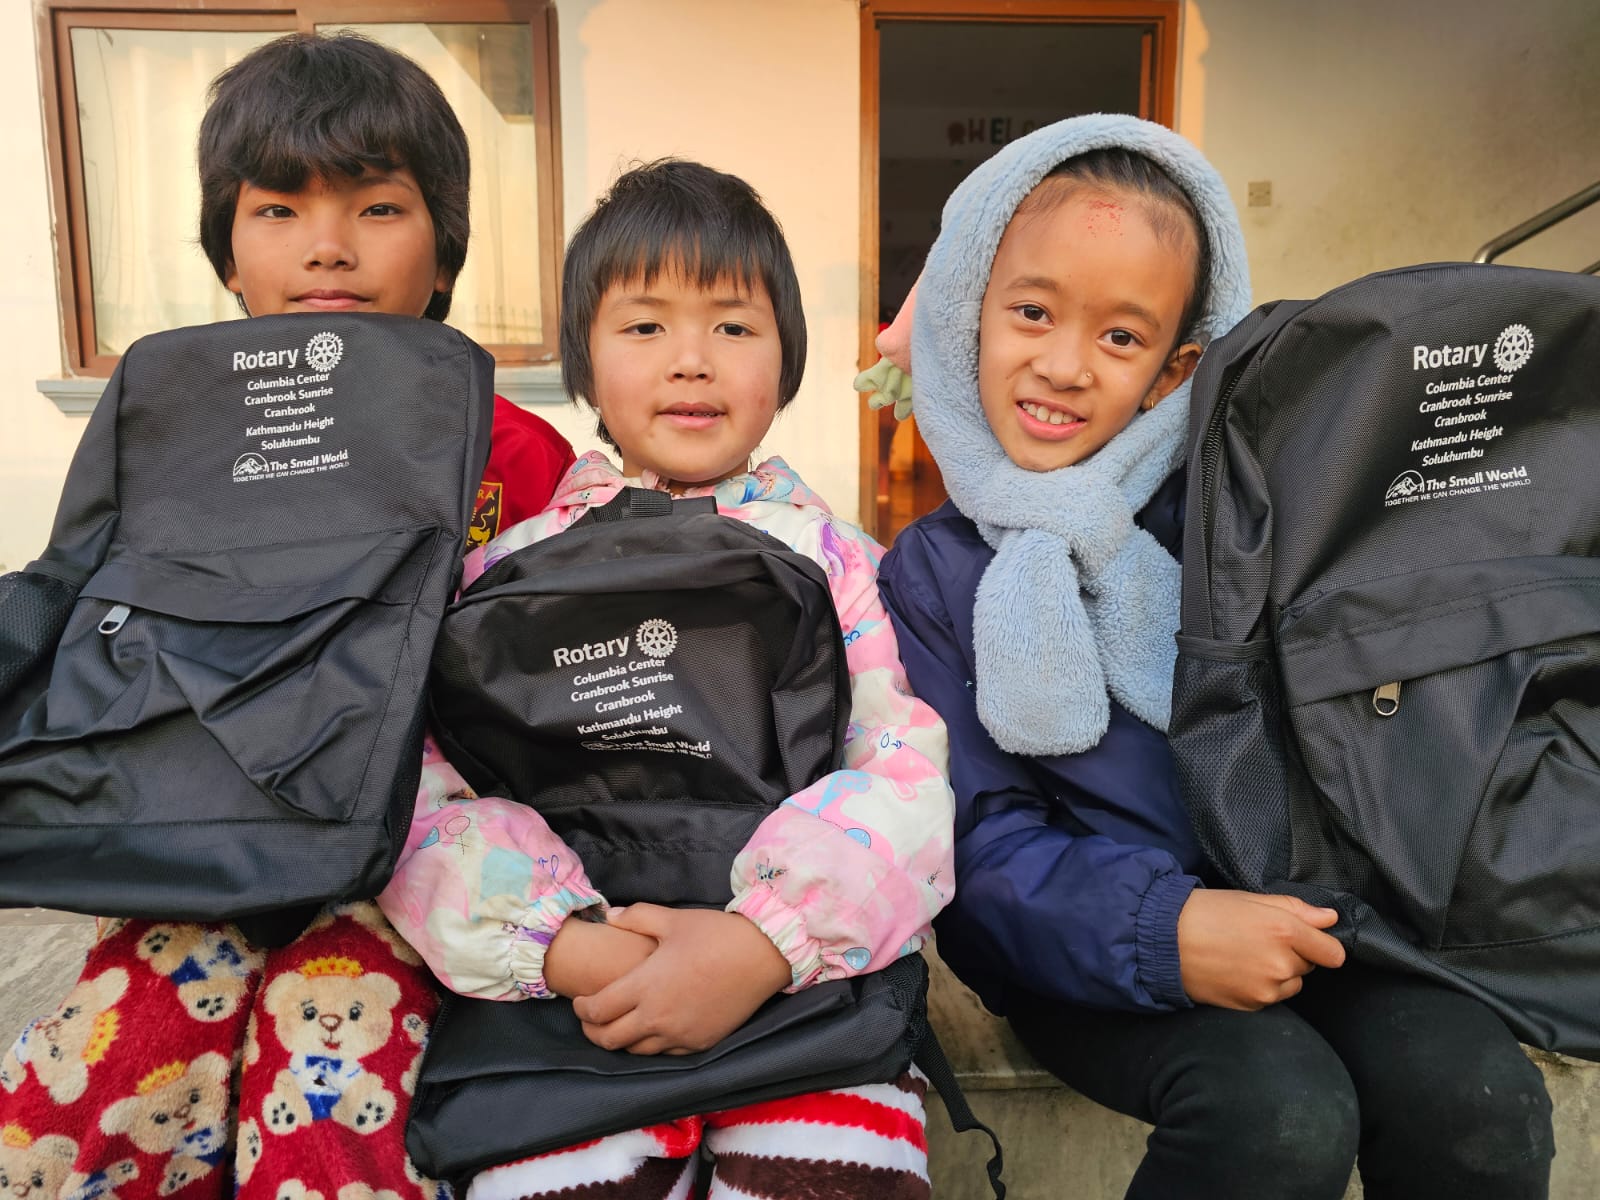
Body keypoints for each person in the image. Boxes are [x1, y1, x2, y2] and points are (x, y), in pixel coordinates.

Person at [872, 115, 1554, 1200]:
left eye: (1119, 336)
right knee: (1275, 1116)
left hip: (1319, 920)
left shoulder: (1246, 514)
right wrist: (1165, 928)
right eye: (1033, 313)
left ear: (1177, 366)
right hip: (1090, 952)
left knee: (1481, 1100)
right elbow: (973, 837)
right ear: (969, 313)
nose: (1060, 364)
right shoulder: (929, 575)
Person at [0, 32, 573, 1200]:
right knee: (96, 1086)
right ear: (226, 251)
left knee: (327, 1066)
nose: (326, 246)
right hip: (200, 846)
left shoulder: (517, 453)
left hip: (417, 870)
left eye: (377, 206)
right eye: (276, 209)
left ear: (444, 243)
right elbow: (77, 599)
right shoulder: (169, 426)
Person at [377, 158, 955, 1200]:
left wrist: (761, 944)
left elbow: (900, 772)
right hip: (558, 1004)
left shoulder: (838, 563)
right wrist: (562, 945)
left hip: (801, 994)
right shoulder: (500, 573)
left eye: (733, 327)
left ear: (784, 361)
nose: (691, 361)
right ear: (585, 364)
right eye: (644, 327)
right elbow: (424, 792)